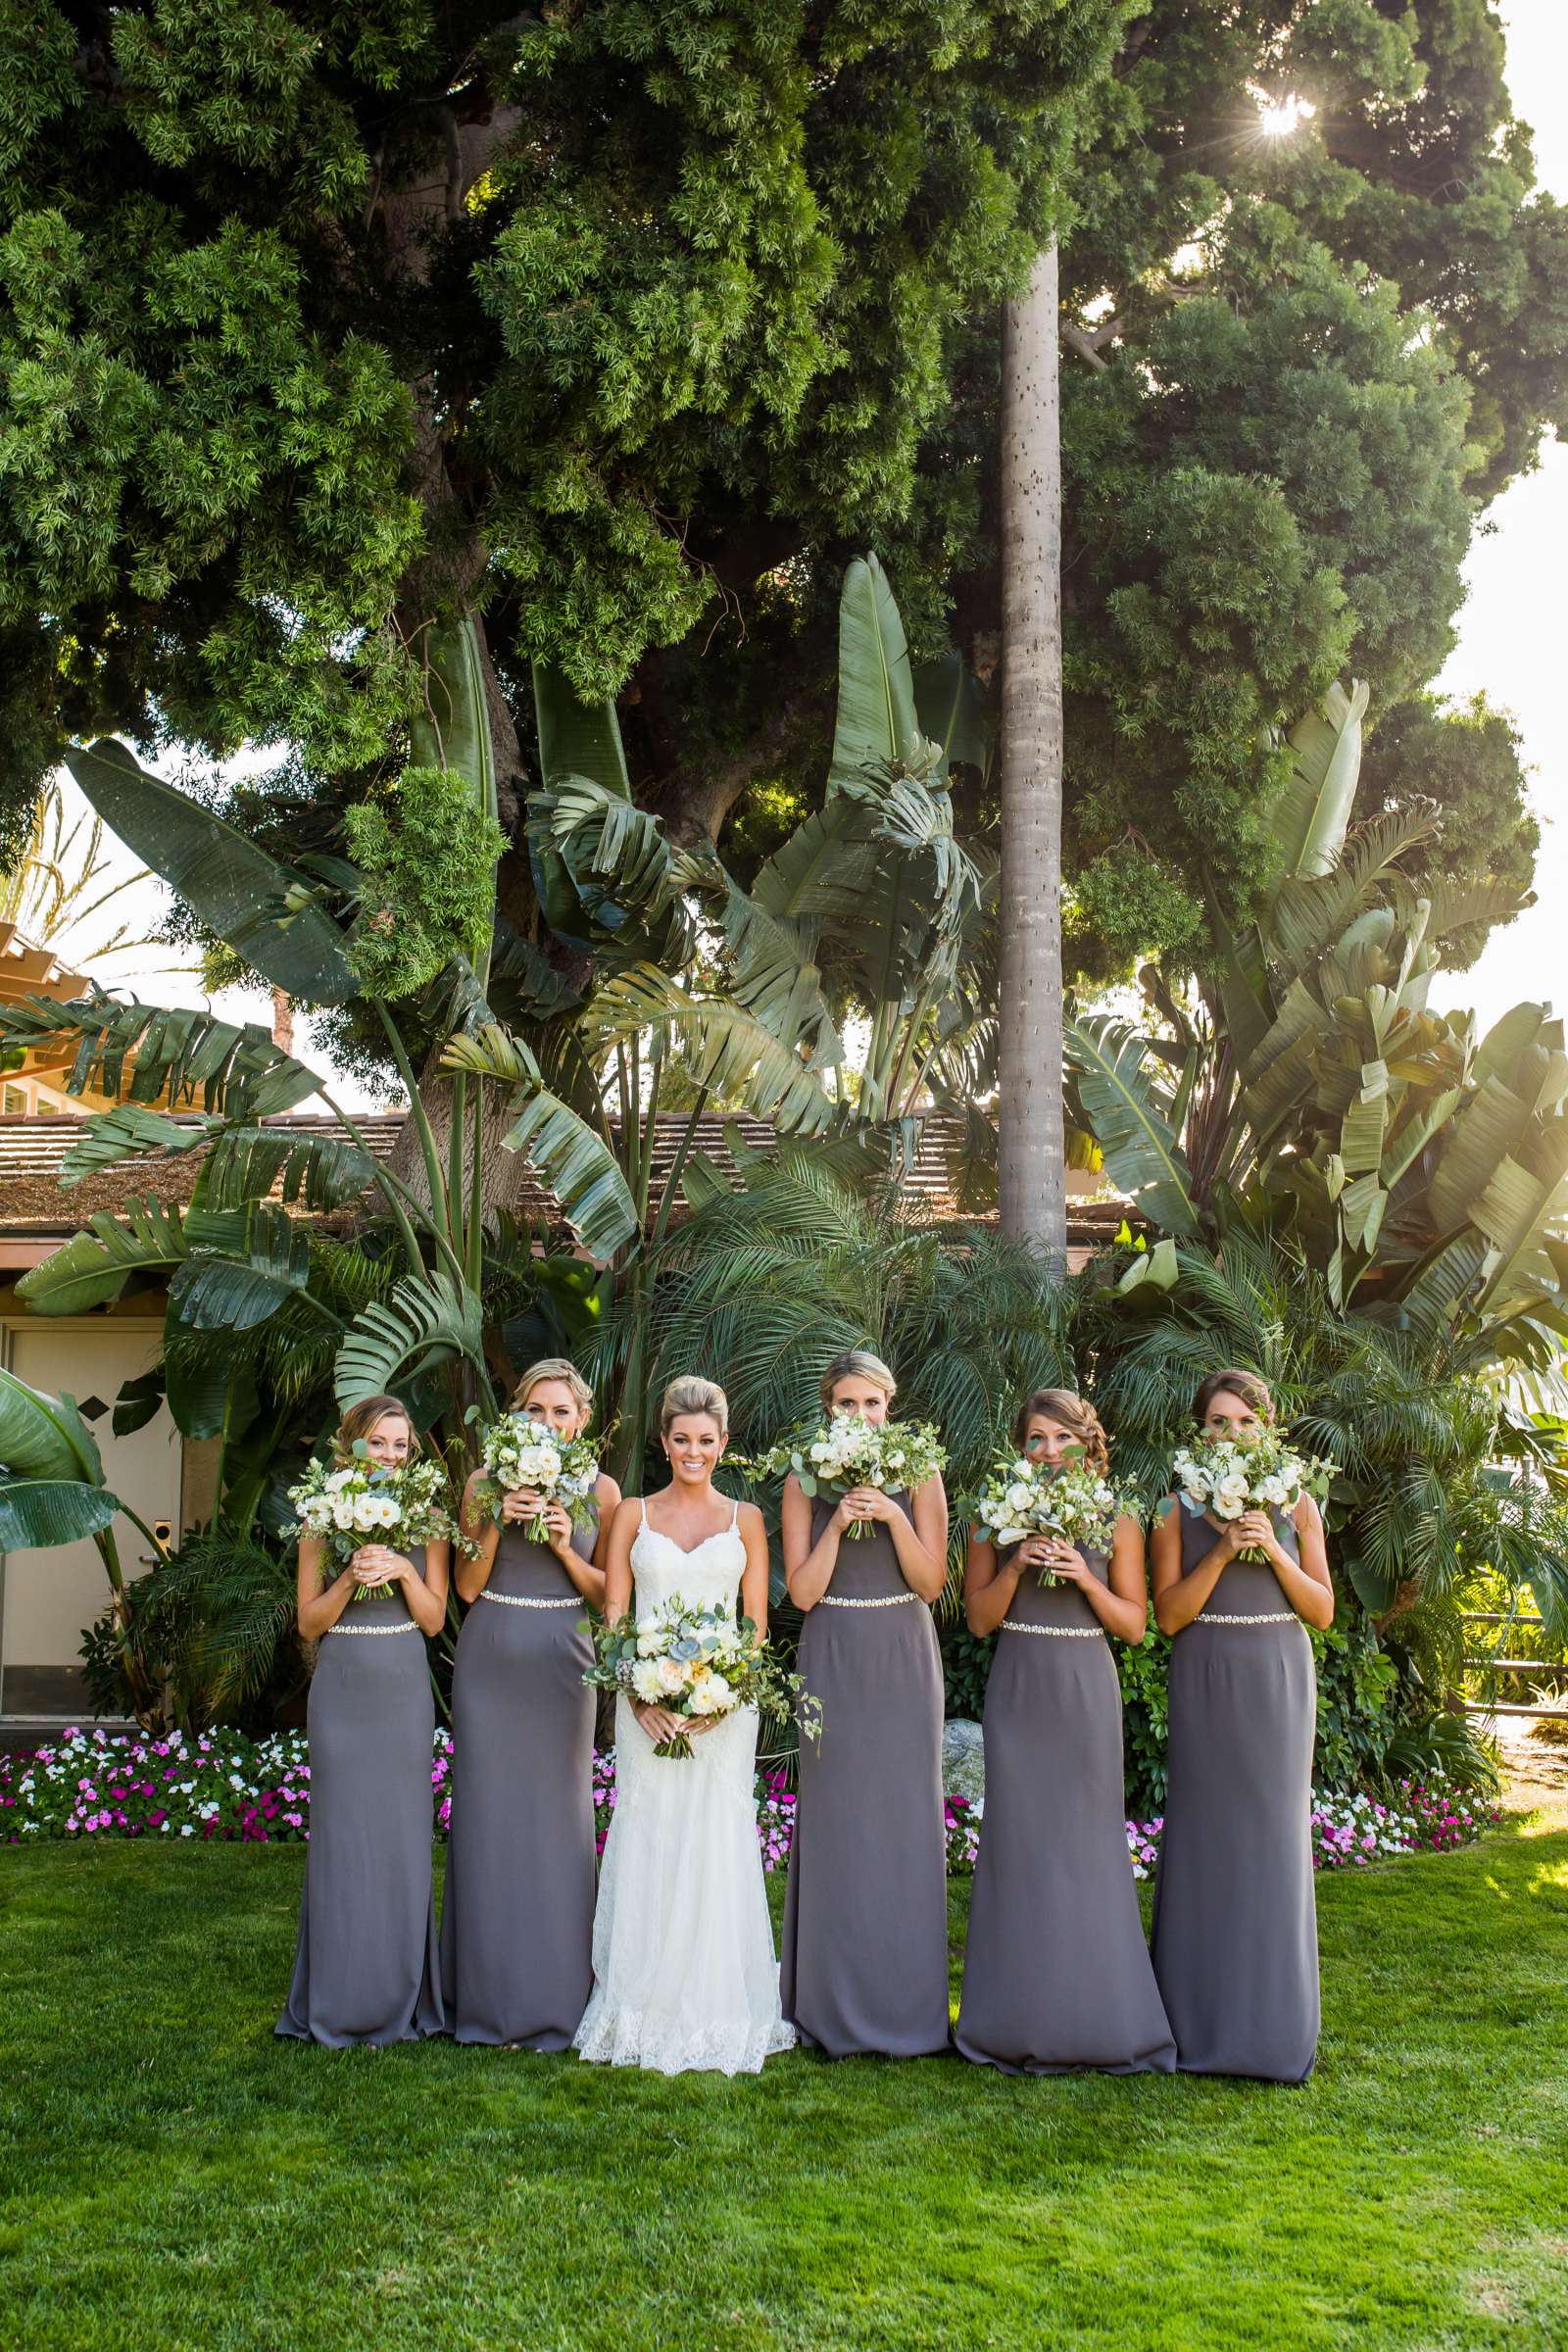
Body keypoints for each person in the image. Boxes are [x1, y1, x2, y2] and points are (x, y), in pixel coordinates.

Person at [573, 1376, 794, 2075]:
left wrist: (722, 1697)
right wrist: (639, 1699)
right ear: (664, 1441)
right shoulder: (632, 1515)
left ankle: (718, 2001)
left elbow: (754, 1626)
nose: (693, 1452)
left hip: (725, 1715)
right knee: (651, 1831)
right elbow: (613, 1617)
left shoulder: (747, 1521)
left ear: (723, 1444)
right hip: (646, 1706)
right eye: (680, 1440)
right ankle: (639, 2003)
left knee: (715, 1838)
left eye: (706, 1441)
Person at [956, 1389, 1175, 2074]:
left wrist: (1084, 1575)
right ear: (1021, 1449)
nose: (1049, 1452)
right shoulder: (994, 1515)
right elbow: (978, 1621)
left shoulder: (1119, 1519)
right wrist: (1017, 1562)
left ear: (1087, 1444)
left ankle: (1094, 2016)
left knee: (1085, 1849)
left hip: (1084, 1687)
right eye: (1035, 1441)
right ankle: (1010, 2017)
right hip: (1019, 1685)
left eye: (1061, 1439)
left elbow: (1134, 1625)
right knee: (1020, 1848)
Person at [1150, 1368, 1334, 2082]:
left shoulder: (1300, 1503)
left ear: (1268, 1428)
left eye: (1245, 1422)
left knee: (1271, 1840)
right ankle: (1194, 2025)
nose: (1231, 1434)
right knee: (1204, 1837)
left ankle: (1273, 2031)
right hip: (1206, 1672)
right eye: (1218, 1422)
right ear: (1201, 1431)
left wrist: (1275, 1549)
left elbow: (1321, 1611)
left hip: (1278, 1673)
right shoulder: (1177, 1510)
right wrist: (1223, 1548)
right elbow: (1167, 1616)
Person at [440, 1359, 621, 2050]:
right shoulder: (485, 1482)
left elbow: (610, 1597)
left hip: (563, 1660)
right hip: (493, 1656)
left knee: (558, 1819)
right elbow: (463, 1588)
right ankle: (482, 1993)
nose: (549, 1423)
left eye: (561, 1413)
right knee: (489, 1816)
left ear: (581, 1422)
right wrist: (494, 1523)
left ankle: (558, 1994)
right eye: (536, 1411)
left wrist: (561, 1547)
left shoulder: (601, 1491)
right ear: (517, 1416)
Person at [779, 1350, 950, 2058]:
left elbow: (932, 1582)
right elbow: (801, 1592)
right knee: (839, 1820)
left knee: (902, 1823)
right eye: (846, 1405)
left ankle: (906, 2009)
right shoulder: (801, 1477)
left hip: (903, 1653)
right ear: (829, 1409)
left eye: (871, 1404)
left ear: (890, 1406)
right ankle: (829, 2005)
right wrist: (837, 1521)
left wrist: (891, 1514)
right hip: (835, 1651)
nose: (860, 1416)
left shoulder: (922, 1472)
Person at [277, 1396, 448, 2046]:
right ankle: (339, 1995)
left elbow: (433, 1620)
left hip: (403, 1682)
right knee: (346, 1840)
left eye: (401, 1446)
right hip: (344, 1683)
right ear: (352, 1446)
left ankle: (401, 1996)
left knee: (403, 1840)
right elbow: (309, 1623)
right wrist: (350, 1576)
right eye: (380, 1443)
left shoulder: (429, 1515)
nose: (391, 1456)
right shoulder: (321, 1516)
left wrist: (403, 1567)